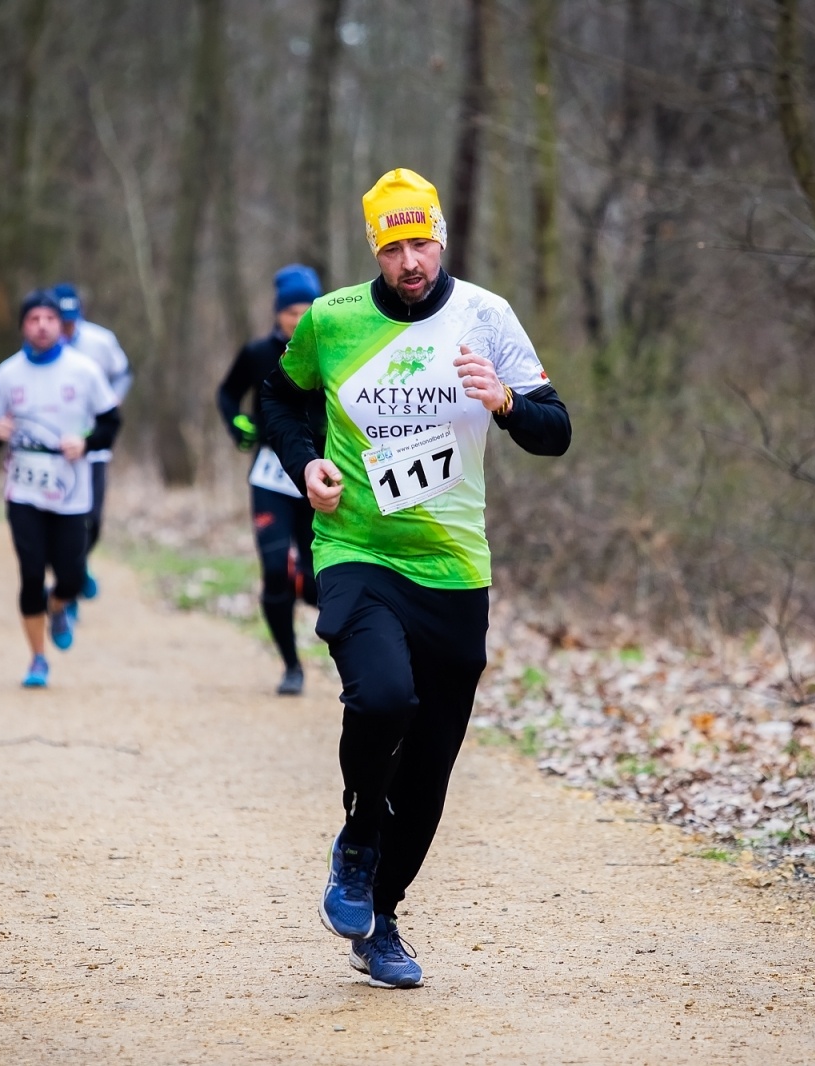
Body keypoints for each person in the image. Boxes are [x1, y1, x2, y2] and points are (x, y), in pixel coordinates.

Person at [261, 168, 571, 989]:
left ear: (441, 236)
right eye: (393, 245)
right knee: (381, 698)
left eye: (421, 240)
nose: (410, 260)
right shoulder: (330, 320)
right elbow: (278, 401)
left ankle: (383, 917)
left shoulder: (487, 317)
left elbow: (555, 431)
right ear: (375, 248)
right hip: (357, 549)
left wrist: (505, 401)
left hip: (455, 568)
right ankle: (359, 834)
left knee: (431, 763)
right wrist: (307, 464)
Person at [0, 290, 121, 688]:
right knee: (30, 575)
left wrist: (87, 443)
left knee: (71, 577)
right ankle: (38, 659)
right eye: (33, 319)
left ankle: (59, 606)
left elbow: (111, 422)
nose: (41, 326)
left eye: (49, 319)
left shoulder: (84, 371)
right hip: (24, 494)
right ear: (23, 326)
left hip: (72, 494)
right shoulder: (8, 374)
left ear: (62, 326)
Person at [217, 264, 325, 695]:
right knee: (275, 568)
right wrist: (237, 424)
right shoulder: (259, 352)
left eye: (306, 310)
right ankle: (291, 665)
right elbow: (227, 392)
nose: (298, 320)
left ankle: (306, 583)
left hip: (320, 474)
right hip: (270, 474)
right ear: (277, 313)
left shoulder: (332, 350)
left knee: (320, 584)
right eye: (290, 312)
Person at [52, 282, 131, 601]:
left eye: (73, 320)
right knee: (61, 521)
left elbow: (124, 372)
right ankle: (66, 585)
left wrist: (114, 399)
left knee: (93, 519)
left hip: (94, 443)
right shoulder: (42, 346)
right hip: (57, 446)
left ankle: (78, 564)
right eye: (63, 320)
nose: (68, 327)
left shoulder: (101, 341)